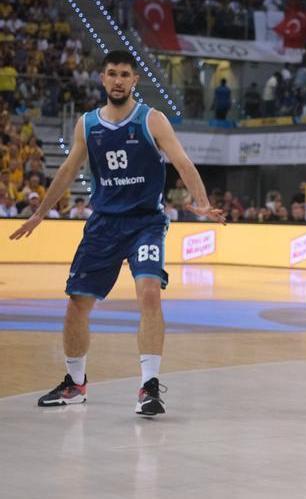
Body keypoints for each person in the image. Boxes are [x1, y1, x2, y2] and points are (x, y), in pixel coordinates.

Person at [11, 50, 224, 416]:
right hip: (104, 225)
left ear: (135, 80)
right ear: (102, 78)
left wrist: (200, 200)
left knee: (149, 293)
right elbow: (66, 171)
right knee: (77, 303)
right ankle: (75, 384)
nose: (118, 80)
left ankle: (149, 386)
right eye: (112, 73)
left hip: (145, 223)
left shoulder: (151, 120)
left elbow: (182, 160)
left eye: (125, 74)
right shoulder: (87, 124)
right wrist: (40, 214)